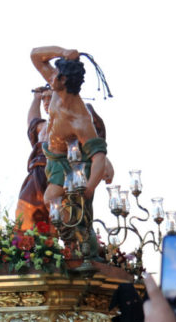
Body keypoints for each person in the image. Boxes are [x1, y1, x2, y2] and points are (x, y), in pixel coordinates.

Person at [30, 46, 114, 254]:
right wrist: (63, 51)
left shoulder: (81, 119)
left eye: (58, 74)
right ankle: (77, 245)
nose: (53, 76)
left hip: (72, 164)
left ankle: (83, 246)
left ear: (65, 80)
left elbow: (98, 156)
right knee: (64, 210)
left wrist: (90, 187)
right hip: (52, 159)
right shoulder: (56, 87)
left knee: (54, 200)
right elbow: (35, 55)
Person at [15, 86, 52, 231]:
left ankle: (55, 247)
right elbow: (32, 121)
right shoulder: (42, 126)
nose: (46, 102)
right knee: (25, 209)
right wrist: (36, 98)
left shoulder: (68, 121)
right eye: (44, 99)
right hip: (37, 172)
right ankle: (24, 245)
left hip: (57, 170)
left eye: (50, 97)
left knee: (56, 212)